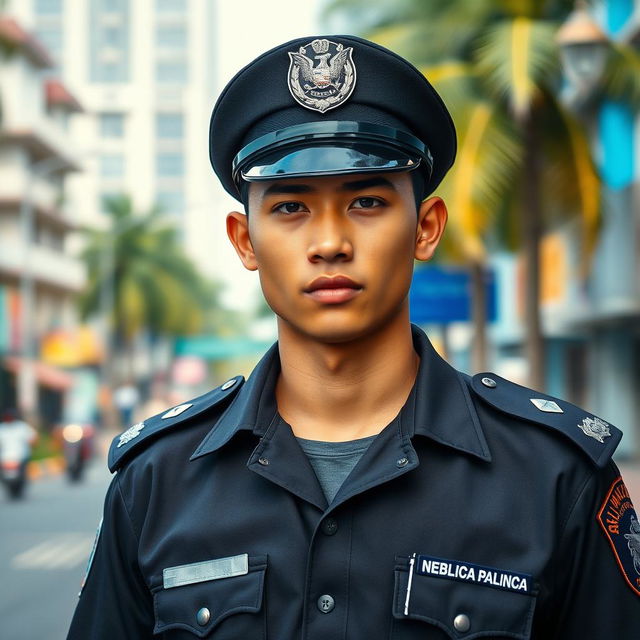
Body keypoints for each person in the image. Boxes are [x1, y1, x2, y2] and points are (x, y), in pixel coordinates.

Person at [67, 35, 640, 639]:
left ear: (425, 227)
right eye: (290, 207)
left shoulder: (555, 476)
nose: (330, 242)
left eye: (367, 201)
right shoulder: (156, 480)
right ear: (244, 241)